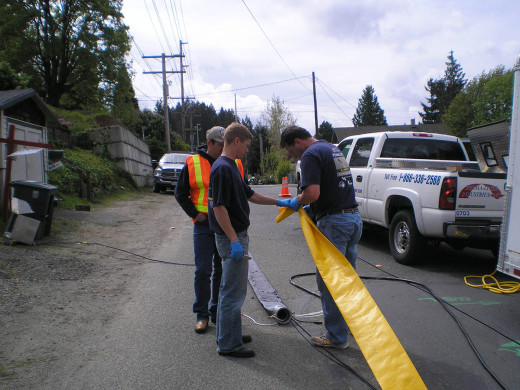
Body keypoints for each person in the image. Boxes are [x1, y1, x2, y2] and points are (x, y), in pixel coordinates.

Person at [278, 125, 363, 349]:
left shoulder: (310, 155)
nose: (294, 156)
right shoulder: (332, 148)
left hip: (335, 223)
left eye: (292, 151)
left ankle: (336, 337)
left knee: (330, 281)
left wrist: (297, 201)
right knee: (347, 279)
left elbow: (312, 194)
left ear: (297, 142)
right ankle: (352, 326)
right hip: (353, 219)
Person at [208, 122, 283, 358]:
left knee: (231, 289)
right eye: (247, 146)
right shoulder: (222, 168)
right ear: (237, 141)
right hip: (232, 238)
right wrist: (233, 240)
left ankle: (229, 334)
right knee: (232, 292)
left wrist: (279, 202)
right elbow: (218, 208)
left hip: (236, 236)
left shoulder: (231, 166)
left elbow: (249, 194)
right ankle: (229, 344)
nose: (247, 151)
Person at [175, 126, 226, 334]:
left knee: (222, 270)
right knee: (203, 270)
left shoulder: (234, 161)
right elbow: (180, 193)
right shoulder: (193, 163)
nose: (224, 148)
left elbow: (242, 192)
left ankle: (217, 312)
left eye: (227, 144)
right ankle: (202, 315)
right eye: (221, 144)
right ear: (210, 143)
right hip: (204, 226)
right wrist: (195, 214)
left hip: (224, 225)